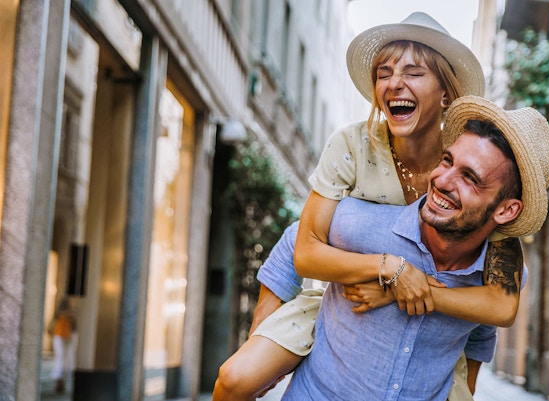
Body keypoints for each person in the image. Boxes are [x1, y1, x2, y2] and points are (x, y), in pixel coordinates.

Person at [213, 13, 523, 401]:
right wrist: (388, 269)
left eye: (412, 72)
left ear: (445, 93)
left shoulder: (464, 160)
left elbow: (495, 305)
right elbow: (302, 244)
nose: (394, 83)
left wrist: (395, 289)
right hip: (342, 298)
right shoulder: (352, 146)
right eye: (384, 72)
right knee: (237, 378)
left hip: (431, 335)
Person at [280, 95, 549, 399]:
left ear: (506, 211)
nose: (442, 180)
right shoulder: (359, 220)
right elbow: (295, 243)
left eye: (470, 178)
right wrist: (259, 351)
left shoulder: (499, 276)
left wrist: (396, 289)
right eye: (447, 161)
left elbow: (481, 332)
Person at [49, 297, 77, 393]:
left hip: (65, 334)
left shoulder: (62, 312)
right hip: (62, 334)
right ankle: (60, 379)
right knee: (63, 357)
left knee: (64, 358)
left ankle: (60, 378)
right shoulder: (67, 313)